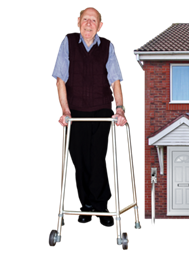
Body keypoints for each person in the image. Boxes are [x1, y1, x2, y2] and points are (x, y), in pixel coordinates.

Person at [52, 7, 127, 227]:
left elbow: (115, 81)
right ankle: (83, 206)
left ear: (100, 26)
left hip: (102, 110)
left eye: (93, 21)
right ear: (78, 22)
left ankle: (101, 205)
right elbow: (60, 80)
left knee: (98, 159)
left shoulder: (108, 47)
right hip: (76, 111)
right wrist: (65, 111)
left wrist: (120, 108)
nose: (89, 24)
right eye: (85, 19)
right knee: (80, 159)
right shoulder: (67, 42)